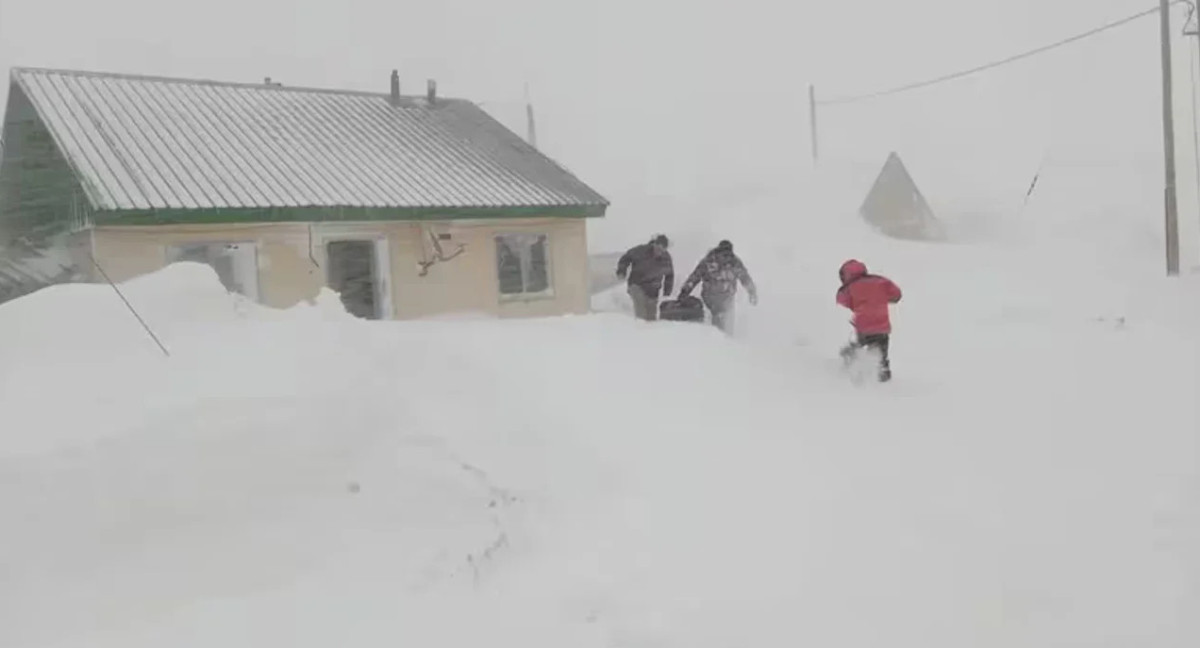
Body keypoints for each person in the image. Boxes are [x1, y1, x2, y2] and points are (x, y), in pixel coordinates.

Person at [835, 259, 902, 382]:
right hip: (882, 328)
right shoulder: (880, 281)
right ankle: (884, 378)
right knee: (881, 354)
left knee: (861, 347)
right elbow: (896, 294)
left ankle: (852, 362)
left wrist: (854, 303)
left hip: (864, 328)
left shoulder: (850, 287)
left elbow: (841, 299)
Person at [677, 240, 757, 334]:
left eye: (728, 254)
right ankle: (713, 341)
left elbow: (745, 278)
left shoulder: (734, 262)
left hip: (727, 299)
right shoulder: (709, 261)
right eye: (724, 253)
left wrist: (752, 292)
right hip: (710, 298)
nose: (726, 256)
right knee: (716, 322)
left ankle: (726, 342)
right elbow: (696, 276)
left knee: (726, 325)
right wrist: (685, 291)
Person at [616, 234, 675, 321]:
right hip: (637, 285)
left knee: (651, 319)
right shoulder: (640, 251)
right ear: (654, 245)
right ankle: (639, 328)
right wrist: (621, 270)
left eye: (662, 250)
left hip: (653, 290)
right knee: (641, 316)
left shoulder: (666, 258)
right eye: (658, 248)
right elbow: (625, 258)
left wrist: (667, 292)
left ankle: (648, 333)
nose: (659, 252)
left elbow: (669, 275)